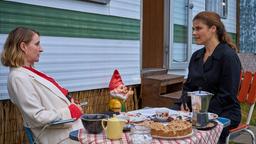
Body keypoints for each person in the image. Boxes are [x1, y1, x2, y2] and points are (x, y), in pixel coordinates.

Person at [1, 27, 84, 144]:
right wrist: (70, 112)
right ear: (23, 46)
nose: (41, 49)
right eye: (37, 44)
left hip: (69, 132)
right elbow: (37, 116)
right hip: (59, 138)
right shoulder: (18, 78)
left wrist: (69, 101)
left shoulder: (29, 73)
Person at [171, 11, 241, 143]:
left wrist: (198, 114)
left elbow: (227, 95)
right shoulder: (196, 56)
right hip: (195, 109)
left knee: (198, 132)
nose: (193, 33)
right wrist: (185, 103)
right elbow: (188, 86)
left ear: (213, 29)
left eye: (198, 28)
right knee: (167, 119)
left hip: (224, 111)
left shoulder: (228, 57)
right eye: (193, 29)